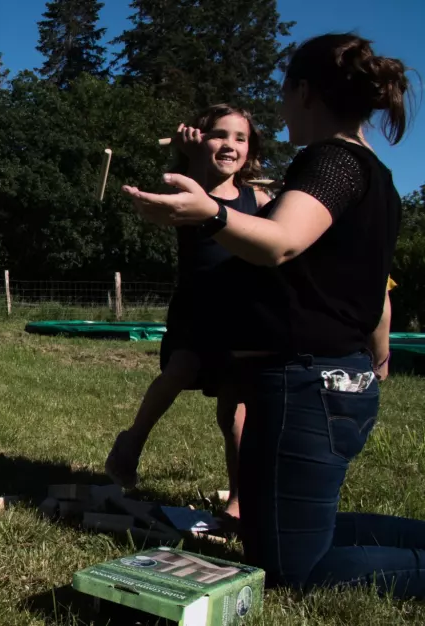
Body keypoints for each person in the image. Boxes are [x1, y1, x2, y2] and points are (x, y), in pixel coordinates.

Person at [122, 33, 422, 597]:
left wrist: (207, 211)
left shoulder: (331, 160)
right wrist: (378, 349)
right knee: (282, 533)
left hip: (309, 386)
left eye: (284, 95)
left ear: (304, 92)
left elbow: (280, 241)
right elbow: (373, 286)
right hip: (331, 380)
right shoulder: (376, 174)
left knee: (291, 570)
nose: (280, 110)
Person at [106, 105, 272, 522]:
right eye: (219, 135)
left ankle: (237, 499)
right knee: (180, 369)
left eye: (240, 137)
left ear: (251, 149)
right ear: (200, 140)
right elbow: (188, 198)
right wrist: (193, 156)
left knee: (235, 411)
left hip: (241, 315)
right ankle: (132, 440)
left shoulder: (261, 198)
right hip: (198, 307)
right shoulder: (192, 189)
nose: (230, 145)